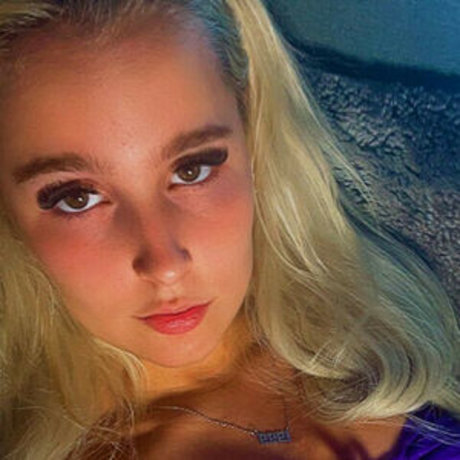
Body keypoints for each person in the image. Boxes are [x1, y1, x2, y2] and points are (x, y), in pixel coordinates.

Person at [0, 0, 459, 458]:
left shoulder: (383, 336)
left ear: (253, 134)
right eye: (77, 198)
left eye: (193, 170)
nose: (166, 265)